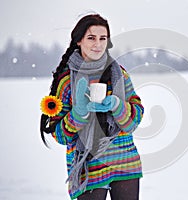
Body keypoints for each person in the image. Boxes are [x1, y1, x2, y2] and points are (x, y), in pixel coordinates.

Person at [40, 14, 144, 200]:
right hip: (88, 167)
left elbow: (134, 120)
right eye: (91, 38)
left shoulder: (119, 74)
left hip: (124, 161)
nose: (98, 44)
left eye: (103, 38)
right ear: (78, 40)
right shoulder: (66, 81)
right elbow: (59, 135)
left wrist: (118, 107)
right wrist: (78, 114)